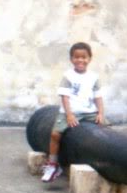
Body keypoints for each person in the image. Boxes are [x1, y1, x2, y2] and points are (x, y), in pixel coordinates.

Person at [42, 42, 106, 182]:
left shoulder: (94, 77)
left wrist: (100, 113)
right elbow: (65, 97)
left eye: (84, 57)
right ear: (71, 59)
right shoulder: (68, 76)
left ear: (89, 58)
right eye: (76, 57)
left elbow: (98, 97)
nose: (80, 60)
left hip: (89, 112)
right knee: (55, 134)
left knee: (105, 131)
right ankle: (53, 164)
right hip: (70, 111)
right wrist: (69, 115)